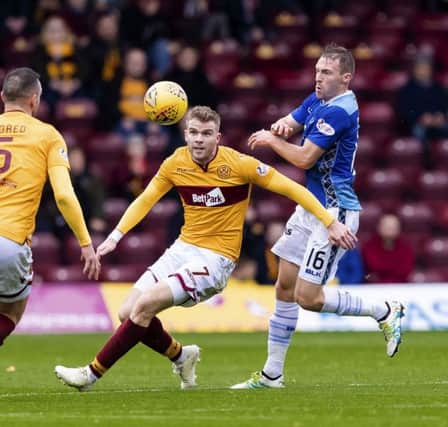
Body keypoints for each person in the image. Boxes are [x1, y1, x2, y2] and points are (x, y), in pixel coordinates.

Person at [53, 105, 357, 391]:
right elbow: (145, 199)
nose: (199, 139)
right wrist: (116, 236)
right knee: (126, 312)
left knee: (144, 306)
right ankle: (181, 356)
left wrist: (329, 222)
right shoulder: (175, 162)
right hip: (182, 249)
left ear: (218, 137)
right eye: (194, 132)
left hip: (216, 260)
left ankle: (90, 374)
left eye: (206, 133)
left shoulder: (239, 165)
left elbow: (294, 189)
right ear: (186, 134)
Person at [231, 44, 405, 390]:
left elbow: (304, 158)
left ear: (346, 78)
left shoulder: (339, 111)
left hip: (335, 210)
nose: (318, 78)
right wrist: (282, 125)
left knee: (308, 298)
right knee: (283, 283)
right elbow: (294, 118)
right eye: (316, 71)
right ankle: (272, 374)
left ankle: (383, 310)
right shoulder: (319, 99)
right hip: (311, 205)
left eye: (326, 73)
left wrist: (271, 140)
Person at [0, 67, 100, 347]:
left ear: (2, 97)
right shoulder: (48, 135)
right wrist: (85, 242)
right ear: (34, 100)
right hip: (9, 239)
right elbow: (65, 196)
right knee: (11, 310)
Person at [361, 214, 415, 284]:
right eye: (387, 227)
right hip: (374, 286)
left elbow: (405, 270)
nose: (390, 230)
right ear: (379, 227)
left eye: (393, 227)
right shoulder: (368, 247)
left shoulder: (406, 247)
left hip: (400, 286)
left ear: (399, 229)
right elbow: (371, 268)